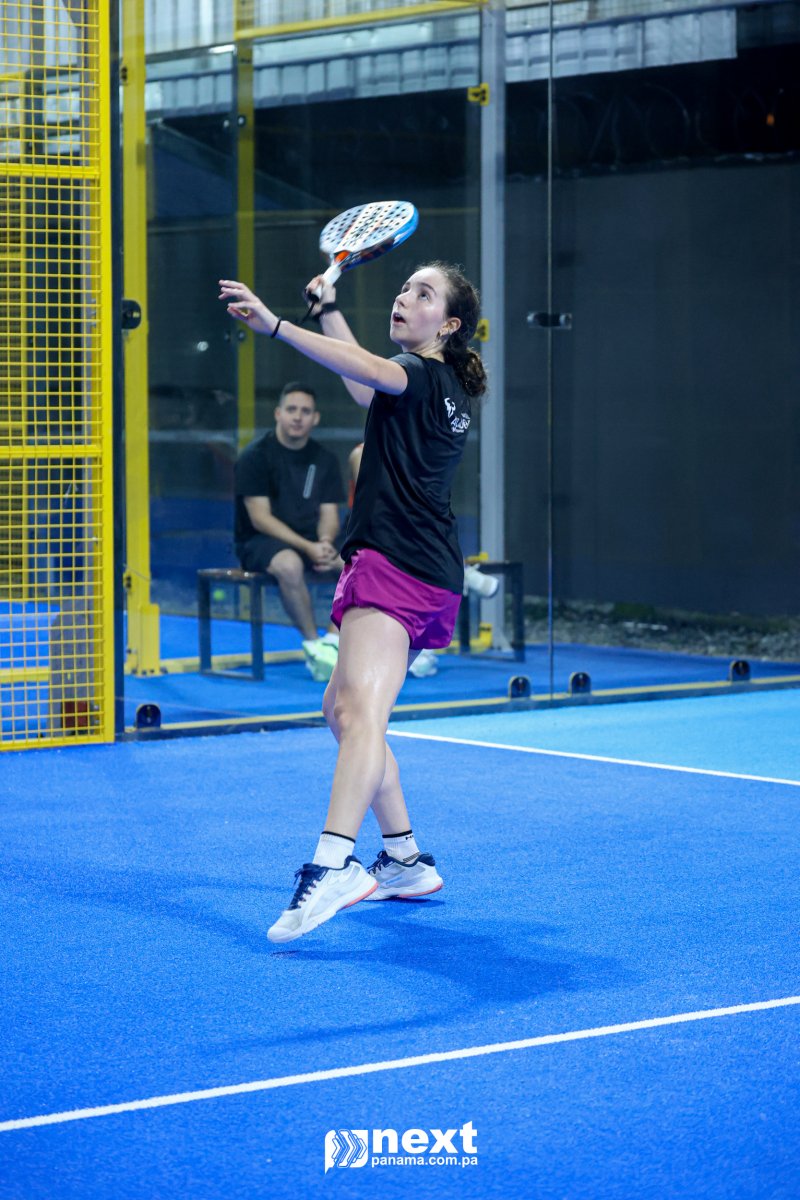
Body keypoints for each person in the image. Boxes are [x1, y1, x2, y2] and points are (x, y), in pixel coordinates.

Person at [219, 259, 487, 943]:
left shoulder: (418, 373)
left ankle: (332, 863)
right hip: (419, 567)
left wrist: (277, 326)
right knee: (340, 711)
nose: (405, 297)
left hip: (397, 566)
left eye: (423, 294)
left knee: (361, 714)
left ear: (448, 324)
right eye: (404, 288)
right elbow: (366, 380)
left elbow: (368, 369)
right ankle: (403, 860)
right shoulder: (442, 387)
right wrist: (327, 311)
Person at [347, 442, 499, 679]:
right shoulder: (363, 453)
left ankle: (458, 574)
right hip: (375, 538)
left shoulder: (423, 450)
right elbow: (382, 502)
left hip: (414, 544)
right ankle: (463, 572)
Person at [234, 381, 345, 681]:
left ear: (315, 418)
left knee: (361, 564)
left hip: (312, 540)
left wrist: (324, 543)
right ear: (278, 413)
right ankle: (313, 646)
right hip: (260, 541)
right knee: (289, 565)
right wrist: (308, 548)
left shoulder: (325, 459)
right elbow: (260, 518)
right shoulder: (254, 457)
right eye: (291, 409)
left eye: (305, 411)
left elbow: (329, 514)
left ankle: (332, 641)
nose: (298, 417)